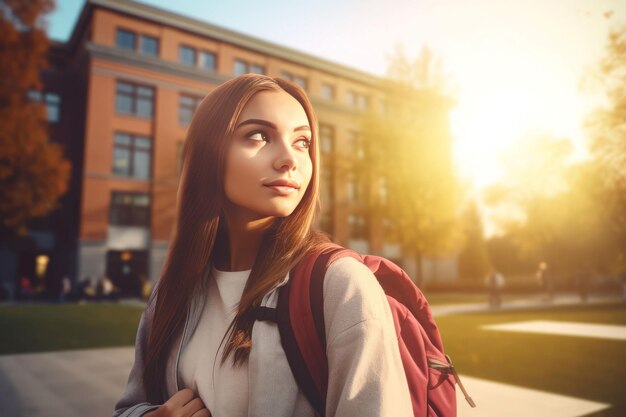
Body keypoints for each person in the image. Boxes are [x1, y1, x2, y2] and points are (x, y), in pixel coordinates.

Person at [113, 74, 412, 417]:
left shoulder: (341, 284)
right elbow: (128, 406)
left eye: (302, 142)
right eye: (259, 135)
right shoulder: (171, 292)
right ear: (209, 153)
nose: (290, 159)